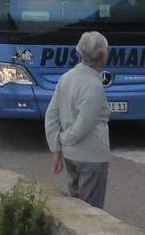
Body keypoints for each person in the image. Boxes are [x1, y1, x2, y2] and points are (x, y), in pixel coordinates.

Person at [44, 31, 111, 208]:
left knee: (76, 205)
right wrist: (64, 139)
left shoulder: (66, 78)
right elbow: (84, 124)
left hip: (70, 155)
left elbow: (51, 114)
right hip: (91, 155)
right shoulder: (94, 85)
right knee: (91, 211)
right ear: (103, 55)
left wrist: (57, 148)